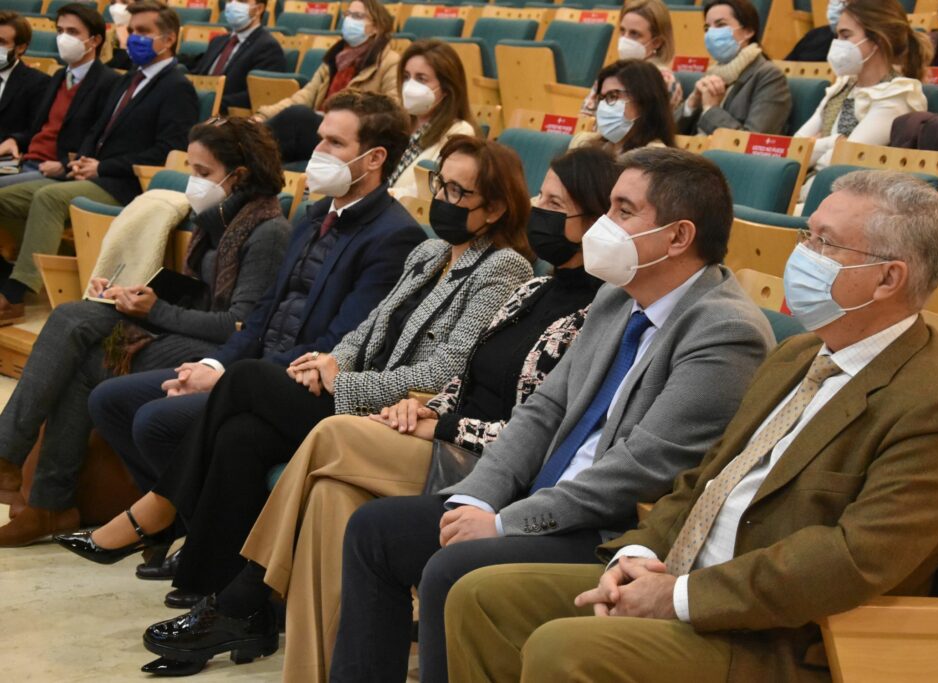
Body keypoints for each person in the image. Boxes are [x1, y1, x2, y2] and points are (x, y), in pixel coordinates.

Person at [444, 171, 938, 683]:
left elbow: (851, 560)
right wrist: (637, 556)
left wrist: (680, 597)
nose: (803, 254)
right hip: (681, 575)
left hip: (776, 636)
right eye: (807, 235)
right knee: (481, 598)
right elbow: (705, 479)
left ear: (887, 278)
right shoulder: (798, 355)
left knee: (564, 649)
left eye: (825, 243)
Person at [59, 134, 534, 677]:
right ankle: (234, 605)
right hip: (353, 389)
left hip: (397, 413)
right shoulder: (428, 253)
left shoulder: (504, 270)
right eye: (440, 184)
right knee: (241, 435)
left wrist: (344, 384)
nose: (443, 199)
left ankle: (164, 514)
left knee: (245, 380)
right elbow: (369, 328)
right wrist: (328, 362)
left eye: (459, 192)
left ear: (495, 208)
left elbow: (446, 370)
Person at [141, 147, 620, 681]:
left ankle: (237, 590)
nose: (539, 209)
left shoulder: (593, 311)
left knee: (318, 425)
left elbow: (539, 426)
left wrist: (428, 416)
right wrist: (409, 403)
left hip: (477, 458)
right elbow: (457, 375)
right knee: (322, 488)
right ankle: (299, 659)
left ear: (596, 221)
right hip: (427, 424)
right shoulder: (533, 289)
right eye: (540, 196)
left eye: (554, 203)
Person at [331, 148, 776, 683]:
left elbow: (642, 466)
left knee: (451, 569)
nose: (605, 224)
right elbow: (543, 409)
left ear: (678, 236)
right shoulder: (617, 298)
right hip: (539, 499)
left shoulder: (725, 331)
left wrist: (504, 523)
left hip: (610, 531)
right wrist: (478, 498)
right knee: (375, 530)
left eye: (624, 210)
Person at [84, 91, 426, 519]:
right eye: (321, 138)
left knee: (155, 420)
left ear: (374, 159)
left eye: (335, 143)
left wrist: (227, 380)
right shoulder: (314, 215)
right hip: (251, 367)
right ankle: (181, 523)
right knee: (110, 400)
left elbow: (339, 343)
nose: (318, 150)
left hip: (296, 384)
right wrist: (215, 365)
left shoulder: (394, 237)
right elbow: (263, 313)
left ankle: (177, 523)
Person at [0, 118, 292, 547]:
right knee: (74, 322)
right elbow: (199, 295)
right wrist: (128, 294)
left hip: (223, 354)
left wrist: (156, 309)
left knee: (81, 341)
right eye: (191, 169)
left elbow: (238, 325)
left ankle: (30, 480)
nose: (193, 182)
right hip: (188, 328)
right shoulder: (217, 219)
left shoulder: (268, 231)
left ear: (239, 175)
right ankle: (39, 494)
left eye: (203, 172)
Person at [0, 0, 199, 325]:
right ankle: (20, 271)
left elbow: (169, 151)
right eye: (131, 30)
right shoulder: (130, 78)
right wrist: (80, 160)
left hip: (127, 184)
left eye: (143, 31)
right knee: (4, 198)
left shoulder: (178, 87)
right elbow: (97, 130)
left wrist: (102, 167)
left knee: (48, 198)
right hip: (93, 174)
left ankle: (14, 295)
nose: (134, 37)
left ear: (169, 39)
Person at [253, 0, 400, 165]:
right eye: (348, 15)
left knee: (299, 117)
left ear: (376, 27)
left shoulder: (390, 62)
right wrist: (262, 116)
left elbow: (392, 112)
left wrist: (343, 118)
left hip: (351, 138)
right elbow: (304, 96)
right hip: (322, 130)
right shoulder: (334, 58)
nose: (350, 20)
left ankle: (251, 148)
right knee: (285, 128)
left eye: (358, 16)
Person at [796, 0, 931, 174]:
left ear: (878, 40)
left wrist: (813, 146)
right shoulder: (843, 85)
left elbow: (838, 162)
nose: (837, 43)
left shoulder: (897, 95)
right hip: (806, 183)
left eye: (846, 36)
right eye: (837, 36)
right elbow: (795, 149)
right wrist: (832, 142)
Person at [0, 3, 118, 189]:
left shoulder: (108, 82)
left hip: (54, 170)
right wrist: (15, 140)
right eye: (60, 31)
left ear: (95, 40)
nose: (63, 38)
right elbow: (39, 128)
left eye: (72, 32)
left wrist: (64, 165)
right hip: (24, 162)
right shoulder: (58, 76)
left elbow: (98, 138)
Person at [677, 0, 791, 136]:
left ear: (748, 31)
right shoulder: (713, 73)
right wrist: (691, 104)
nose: (711, 33)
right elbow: (666, 135)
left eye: (721, 25)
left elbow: (753, 141)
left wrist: (711, 110)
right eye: (707, 28)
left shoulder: (769, 77)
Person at [389, 39, 476, 200]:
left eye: (421, 79)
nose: (409, 86)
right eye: (406, 77)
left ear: (446, 88)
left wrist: (381, 197)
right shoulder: (396, 125)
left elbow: (432, 189)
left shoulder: (459, 131)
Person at [580, 0, 682, 118]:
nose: (625, 39)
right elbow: (585, 116)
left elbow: (648, 125)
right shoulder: (610, 74)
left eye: (634, 34)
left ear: (656, 42)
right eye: (622, 31)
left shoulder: (664, 80)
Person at [188, 0, 286, 112]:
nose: (233, 4)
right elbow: (198, 74)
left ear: (258, 9)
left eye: (242, 1)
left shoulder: (268, 47)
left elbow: (256, 96)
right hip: (194, 107)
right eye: (230, 0)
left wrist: (209, 102)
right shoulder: (218, 41)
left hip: (226, 115)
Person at [570, 60, 676, 155]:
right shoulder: (583, 144)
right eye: (602, 98)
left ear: (643, 101)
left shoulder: (655, 157)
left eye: (612, 96)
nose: (603, 105)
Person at [0, 11, 49, 145]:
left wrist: (14, 140)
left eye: (2, 42)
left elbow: (36, 130)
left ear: (21, 48)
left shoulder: (38, 83)